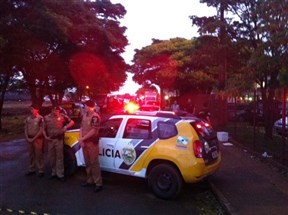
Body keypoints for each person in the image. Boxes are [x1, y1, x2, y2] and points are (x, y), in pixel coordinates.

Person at [44, 105, 74, 181]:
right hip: (50, 140)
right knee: (52, 157)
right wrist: (45, 136)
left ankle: (60, 174)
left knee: (59, 157)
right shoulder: (46, 118)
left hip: (59, 139)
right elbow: (43, 128)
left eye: (58, 110)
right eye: (55, 110)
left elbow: (72, 122)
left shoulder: (62, 116)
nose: (57, 112)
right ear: (52, 110)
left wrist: (65, 127)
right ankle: (53, 172)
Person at [79, 100, 103, 193]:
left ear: (89, 107)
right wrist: (81, 139)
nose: (84, 107)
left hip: (92, 143)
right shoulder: (84, 115)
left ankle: (98, 183)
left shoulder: (95, 117)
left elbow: (93, 131)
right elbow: (81, 127)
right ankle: (90, 180)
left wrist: (83, 139)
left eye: (85, 106)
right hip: (85, 142)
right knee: (87, 162)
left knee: (94, 163)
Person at [24, 104, 45, 177]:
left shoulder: (40, 118)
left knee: (39, 154)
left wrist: (34, 138)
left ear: (37, 110)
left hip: (37, 139)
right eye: (30, 109)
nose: (31, 110)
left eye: (33, 109)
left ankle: (41, 170)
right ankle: (31, 169)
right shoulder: (28, 118)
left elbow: (41, 130)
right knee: (31, 154)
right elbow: (26, 128)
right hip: (30, 138)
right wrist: (27, 137)